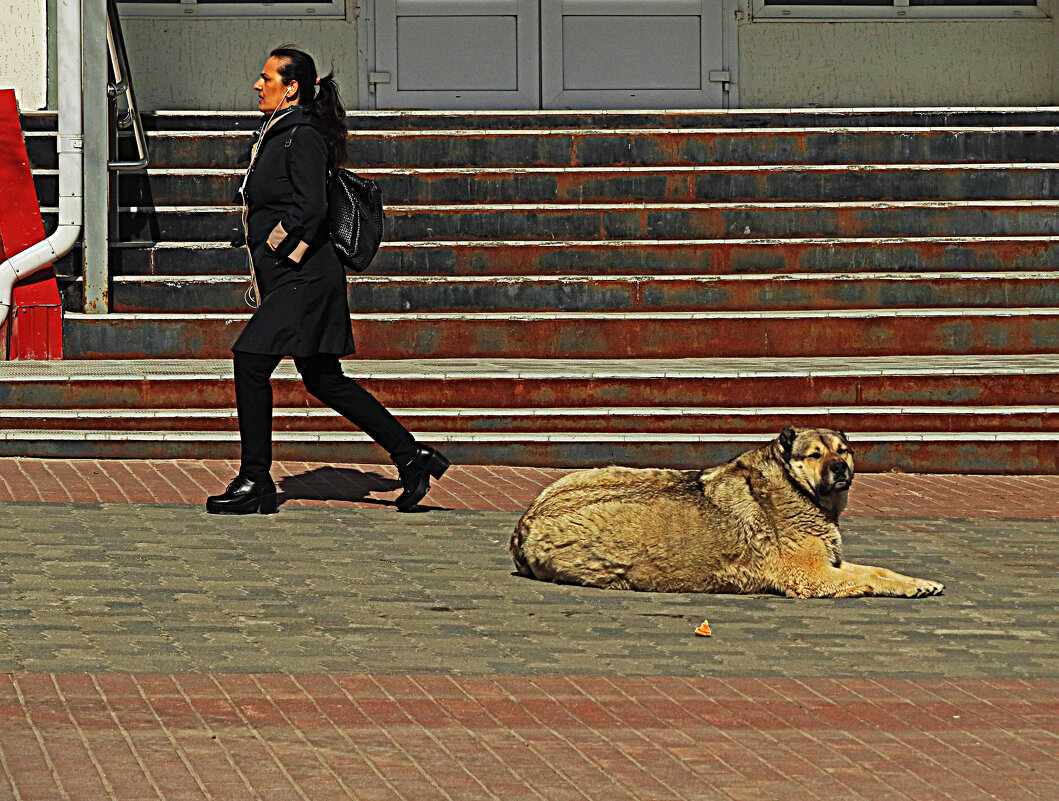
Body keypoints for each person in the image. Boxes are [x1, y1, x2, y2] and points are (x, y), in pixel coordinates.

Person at [206, 45, 449, 515]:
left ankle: (255, 479)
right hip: (291, 279)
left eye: (267, 78)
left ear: (290, 87)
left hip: (306, 278)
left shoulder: (303, 134)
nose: (258, 85)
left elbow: (311, 207)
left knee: (249, 360)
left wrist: (277, 243)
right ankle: (411, 456)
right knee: (322, 378)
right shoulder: (277, 133)